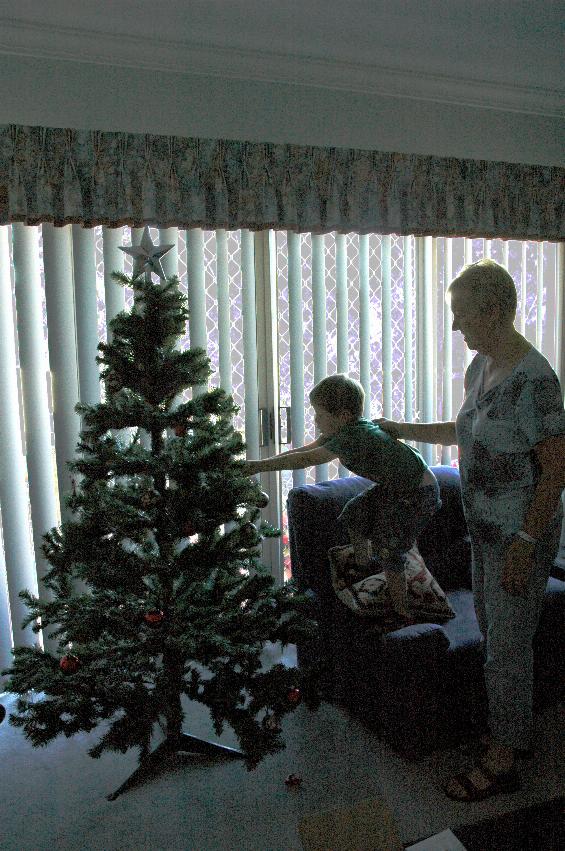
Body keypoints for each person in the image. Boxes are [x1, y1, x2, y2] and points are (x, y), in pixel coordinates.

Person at [376, 259, 565, 802]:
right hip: (483, 532)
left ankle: (503, 763)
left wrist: (526, 547)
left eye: (463, 315)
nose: (456, 326)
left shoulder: (535, 381)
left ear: (499, 311)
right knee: (499, 640)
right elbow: (465, 434)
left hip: (519, 537)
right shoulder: (482, 367)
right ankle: (514, 732)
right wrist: (400, 430)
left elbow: (556, 471)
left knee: (505, 647)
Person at [243, 374, 442, 620]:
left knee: (390, 548)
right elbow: (303, 451)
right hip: (396, 487)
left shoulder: (355, 436)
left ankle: (402, 610)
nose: (315, 420)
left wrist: (258, 467)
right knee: (354, 514)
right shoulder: (342, 430)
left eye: (320, 415)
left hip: (419, 493)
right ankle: (364, 568)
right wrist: (258, 465)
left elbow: (306, 460)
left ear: (344, 416)